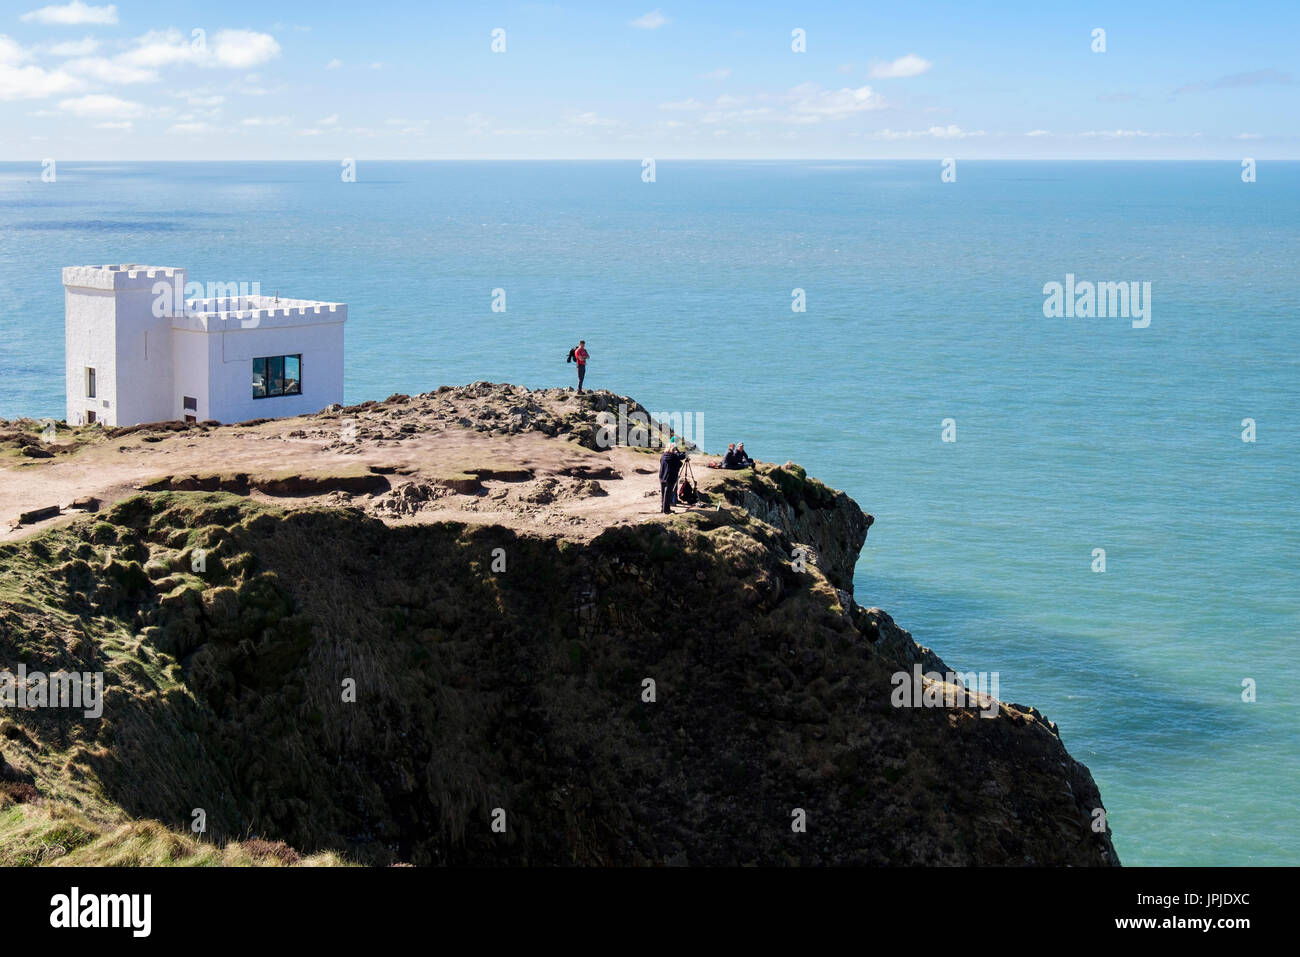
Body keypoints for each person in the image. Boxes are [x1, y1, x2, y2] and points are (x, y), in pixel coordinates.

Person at [659, 444, 685, 513]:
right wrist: (677, 454)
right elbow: (680, 464)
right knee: (668, 494)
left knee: (663, 493)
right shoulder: (673, 457)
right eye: (675, 449)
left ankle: (663, 508)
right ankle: (666, 510)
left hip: (662, 476)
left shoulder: (663, 455)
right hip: (670, 477)